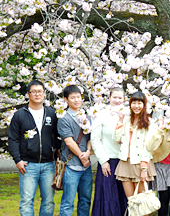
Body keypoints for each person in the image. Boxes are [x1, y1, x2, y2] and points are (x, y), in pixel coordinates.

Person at [8, 80, 60, 216]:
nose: (37, 94)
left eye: (40, 91)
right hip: (27, 165)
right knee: (26, 201)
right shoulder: (20, 114)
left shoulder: (52, 113)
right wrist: (18, 160)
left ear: (44, 94)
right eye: (34, 91)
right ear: (28, 94)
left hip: (49, 164)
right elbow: (13, 139)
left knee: (48, 201)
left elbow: (58, 136)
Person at [113, 91, 157, 206]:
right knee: (132, 203)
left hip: (140, 163)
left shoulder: (149, 122)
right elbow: (117, 139)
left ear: (144, 105)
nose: (136, 106)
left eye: (139, 103)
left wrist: (144, 168)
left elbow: (148, 147)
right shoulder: (126, 120)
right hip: (125, 162)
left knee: (142, 204)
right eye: (134, 103)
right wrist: (120, 121)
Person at [91, 87, 127, 216]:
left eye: (120, 98)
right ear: (109, 98)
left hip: (125, 160)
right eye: (114, 97)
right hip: (108, 161)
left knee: (124, 195)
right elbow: (95, 139)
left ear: (124, 99)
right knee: (108, 195)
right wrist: (103, 161)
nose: (117, 100)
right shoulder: (101, 114)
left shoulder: (129, 114)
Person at [58, 85, 93, 216]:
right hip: (71, 165)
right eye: (73, 97)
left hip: (86, 167)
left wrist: (88, 151)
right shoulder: (64, 118)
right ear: (66, 99)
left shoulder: (87, 116)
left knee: (85, 200)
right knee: (68, 202)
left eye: (78, 97)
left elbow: (91, 137)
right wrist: (82, 157)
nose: (76, 100)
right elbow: (69, 141)